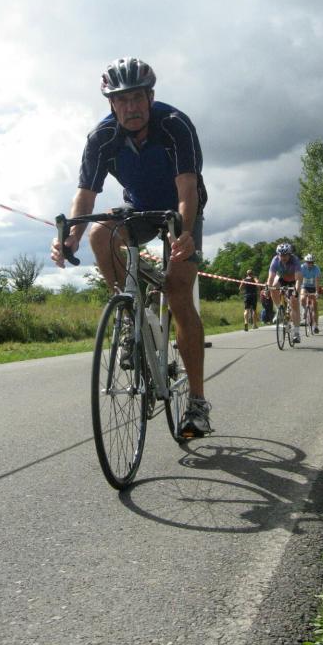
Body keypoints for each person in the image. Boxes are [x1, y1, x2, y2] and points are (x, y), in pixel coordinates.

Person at [51, 57, 211, 438]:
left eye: (137, 97)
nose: (131, 107)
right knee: (98, 234)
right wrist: (70, 236)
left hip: (180, 212)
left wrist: (183, 232)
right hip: (137, 209)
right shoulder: (101, 138)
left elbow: (187, 189)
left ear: (150, 97)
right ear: (111, 104)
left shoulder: (175, 125)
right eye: (122, 100)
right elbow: (85, 196)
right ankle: (128, 310)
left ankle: (197, 403)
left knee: (178, 294)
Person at [266, 243, 303, 343]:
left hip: (294, 281)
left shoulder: (295, 260)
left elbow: (298, 279)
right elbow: (271, 277)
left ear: (290, 254)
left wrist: (296, 292)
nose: (283, 257)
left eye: (285, 255)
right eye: (281, 255)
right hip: (282, 278)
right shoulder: (275, 260)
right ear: (278, 255)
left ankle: (296, 333)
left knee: (294, 302)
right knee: (273, 287)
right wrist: (267, 288)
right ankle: (279, 309)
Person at [300, 253, 321, 333]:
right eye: (308, 262)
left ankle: (316, 326)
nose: (310, 264)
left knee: (315, 305)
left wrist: (317, 292)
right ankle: (305, 309)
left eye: (311, 262)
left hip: (313, 287)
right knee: (302, 298)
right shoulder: (302, 267)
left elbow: (317, 281)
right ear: (305, 262)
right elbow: (299, 279)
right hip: (304, 286)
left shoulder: (316, 268)